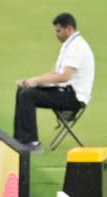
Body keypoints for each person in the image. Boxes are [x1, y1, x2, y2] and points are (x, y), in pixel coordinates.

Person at [14, 12, 95, 150]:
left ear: (69, 29)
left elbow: (64, 76)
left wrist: (36, 81)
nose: (56, 34)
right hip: (64, 90)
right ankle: (20, 138)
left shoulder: (77, 47)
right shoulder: (69, 44)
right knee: (23, 90)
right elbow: (54, 73)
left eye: (58, 31)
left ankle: (30, 142)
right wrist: (32, 81)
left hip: (73, 97)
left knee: (27, 95)